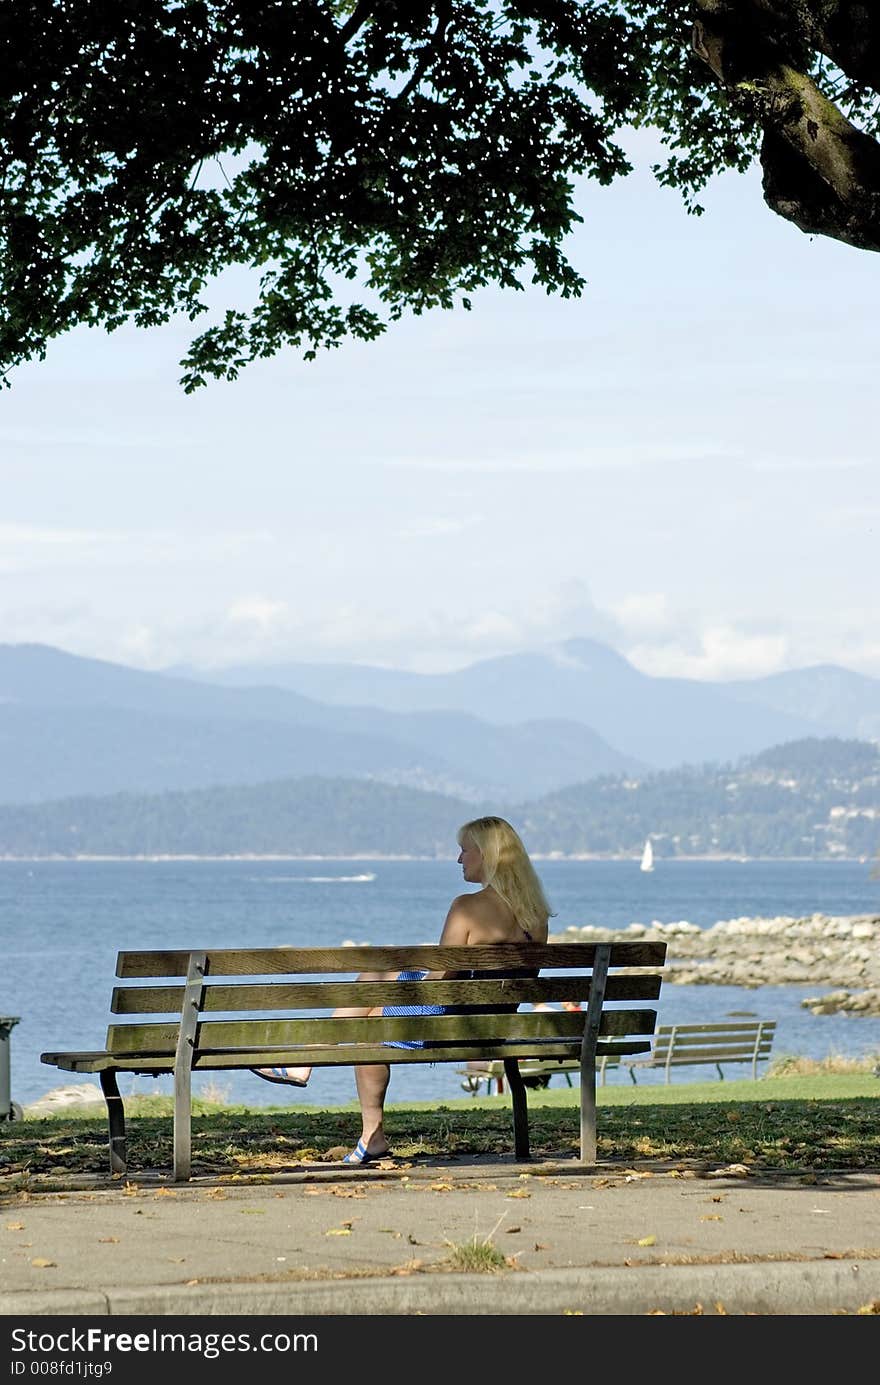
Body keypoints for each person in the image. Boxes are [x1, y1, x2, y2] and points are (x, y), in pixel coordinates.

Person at [251, 815, 554, 1164]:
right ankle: (332, 1090)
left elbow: (441, 982)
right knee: (378, 978)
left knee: (372, 1014)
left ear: (486, 854)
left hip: (454, 1026)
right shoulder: (536, 916)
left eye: (464, 850)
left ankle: (314, 1067)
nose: (459, 859)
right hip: (498, 1024)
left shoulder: (467, 907)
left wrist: (406, 982)